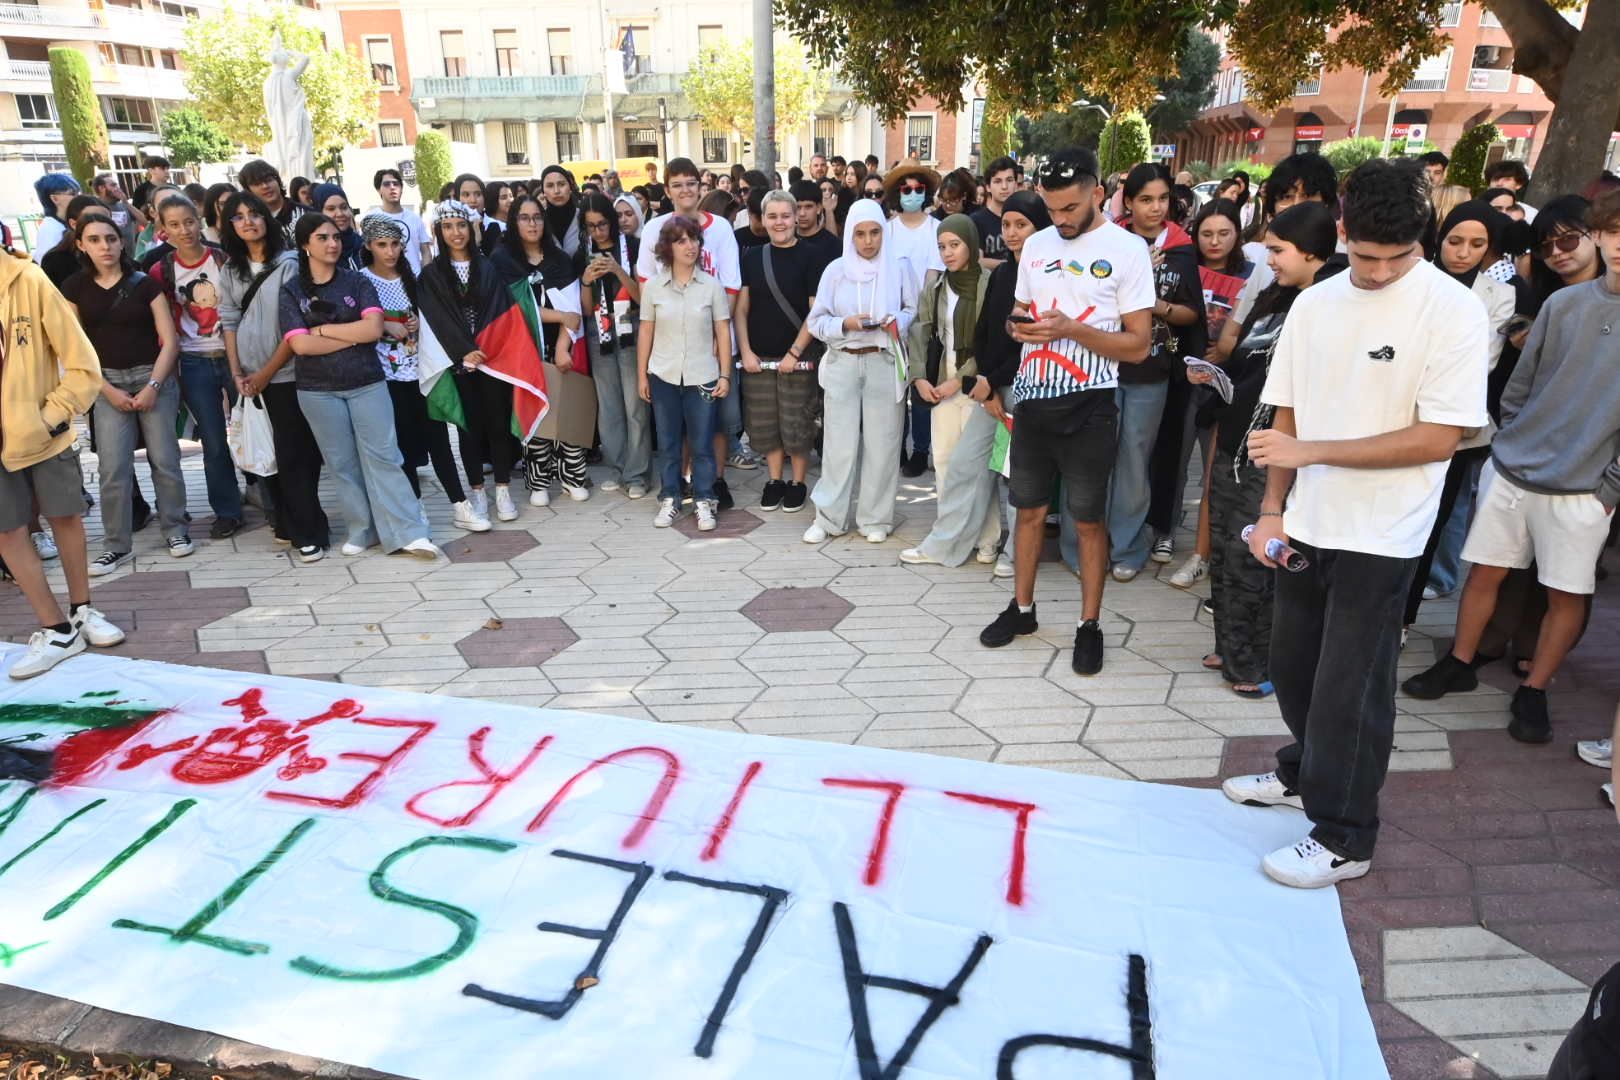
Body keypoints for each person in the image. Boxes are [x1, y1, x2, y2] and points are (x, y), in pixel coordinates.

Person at [1222, 159, 1488, 889]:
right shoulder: (1317, 302)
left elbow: (1439, 438)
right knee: (1299, 672)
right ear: (1342, 231)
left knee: (1353, 689)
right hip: (1307, 520)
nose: (1375, 271)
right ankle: (1306, 772)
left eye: (1394, 258)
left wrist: (1311, 453)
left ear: (1421, 240)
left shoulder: (1453, 310)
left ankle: (1345, 834)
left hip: (1387, 533)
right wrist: (1274, 506)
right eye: (1363, 255)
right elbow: (1288, 410)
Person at [1402, 190, 1620, 744]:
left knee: (1566, 591)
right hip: (1515, 467)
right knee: (1485, 571)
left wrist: (1609, 487)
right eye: (1612, 232)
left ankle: (1536, 689)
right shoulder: (1563, 304)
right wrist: (1510, 445)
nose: (1618, 245)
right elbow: (1519, 384)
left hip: (1584, 489)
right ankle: (1460, 660)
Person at [978, 148, 1153, 676]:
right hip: (1033, 400)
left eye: (1071, 208)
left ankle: (1089, 625)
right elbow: (1018, 315)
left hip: (1092, 405)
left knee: (1088, 522)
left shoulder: (1127, 250)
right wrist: (1020, 328)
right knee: (1026, 511)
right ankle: (1023, 610)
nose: (1061, 220)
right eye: (1053, 210)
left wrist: (1072, 330)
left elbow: (1140, 345)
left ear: (1098, 193)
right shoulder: (1034, 246)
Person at [1200, 203, 1340, 697]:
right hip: (1238, 439)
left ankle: (1257, 665)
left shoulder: (1332, 302)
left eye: (1278, 250)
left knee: (1257, 559)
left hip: (1278, 453)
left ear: (1313, 251)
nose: (1270, 259)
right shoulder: (1275, 296)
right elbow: (1247, 364)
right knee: (1225, 553)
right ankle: (1232, 647)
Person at [279, 213, 441, 560]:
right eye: (322, 238)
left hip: (366, 382)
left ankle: (410, 532)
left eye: (336, 237)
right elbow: (300, 346)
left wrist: (322, 331)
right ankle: (362, 529)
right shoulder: (292, 290)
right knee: (342, 462)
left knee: (385, 456)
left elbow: (371, 330)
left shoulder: (357, 282)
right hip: (317, 391)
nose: (332, 243)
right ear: (305, 245)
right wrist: (348, 335)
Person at [0, 240, 124, 678]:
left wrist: (48, 416)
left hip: (42, 432)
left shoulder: (28, 281)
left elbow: (82, 363)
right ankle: (55, 629)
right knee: (7, 530)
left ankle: (82, 610)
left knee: (65, 515)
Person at [1397, 202, 1517, 636]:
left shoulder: (1499, 294)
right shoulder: (1412, 277)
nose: (1464, 252)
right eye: (1455, 241)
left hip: (1458, 431)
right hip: (1394, 417)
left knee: (1433, 521)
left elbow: (1481, 360)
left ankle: (1405, 618)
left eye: (1477, 244)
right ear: (1439, 240)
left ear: (1488, 249)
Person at [62, 213, 192, 574]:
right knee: (112, 468)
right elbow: (74, 348)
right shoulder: (74, 288)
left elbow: (170, 341)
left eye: (111, 238)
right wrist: (106, 389)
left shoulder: (144, 284)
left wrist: (154, 385)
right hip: (105, 382)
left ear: (122, 242)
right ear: (82, 245)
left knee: (165, 460)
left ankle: (176, 530)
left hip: (153, 377)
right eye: (95, 239)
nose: (105, 246)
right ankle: (116, 544)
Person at [217, 190, 328, 562]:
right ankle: (284, 521)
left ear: (267, 218)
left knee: (296, 454)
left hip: (290, 373)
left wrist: (265, 372)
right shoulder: (230, 270)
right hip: (249, 378)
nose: (248, 221)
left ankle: (309, 530)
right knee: (267, 451)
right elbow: (229, 322)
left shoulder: (291, 263)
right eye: (238, 216)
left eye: (254, 213)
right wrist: (236, 372)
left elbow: (296, 328)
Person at [357, 214, 483, 533]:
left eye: (396, 244)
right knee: (405, 448)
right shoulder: (361, 281)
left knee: (439, 440)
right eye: (382, 245)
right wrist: (386, 325)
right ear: (369, 246)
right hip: (385, 379)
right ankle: (416, 510)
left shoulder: (413, 278)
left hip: (424, 374)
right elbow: (359, 325)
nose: (390, 252)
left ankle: (459, 504)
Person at [1110, 164, 1205, 580]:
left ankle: (1128, 547)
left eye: (1163, 199)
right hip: (1105, 366)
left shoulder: (1182, 248)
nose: (1155, 207)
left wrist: (1151, 301)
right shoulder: (1109, 241)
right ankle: (1091, 541)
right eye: (1145, 199)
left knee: (1135, 459)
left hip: (1154, 369)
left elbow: (1190, 313)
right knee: (1100, 458)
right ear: (1128, 202)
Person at [804, 197, 916, 542]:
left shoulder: (899, 266)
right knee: (839, 443)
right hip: (844, 361)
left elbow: (913, 308)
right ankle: (828, 518)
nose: (868, 241)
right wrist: (846, 324)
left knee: (883, 443)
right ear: (850, 236)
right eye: (860, 234)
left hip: (883, 360)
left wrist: (894, 320)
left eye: (875, 233)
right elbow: (816, 321)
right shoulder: (836, 271)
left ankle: (876, 519)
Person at [634, 158, 744, 508]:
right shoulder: (655, 229)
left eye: (691, 183)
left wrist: (717, 337)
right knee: (677, 422)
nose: (685, 190)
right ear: (666, 191)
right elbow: (647, 286)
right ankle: (682, 481)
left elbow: (731, 285)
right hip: (672, 347)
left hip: (714, 340)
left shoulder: (721, 229)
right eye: (677, 184)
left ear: (701, 186)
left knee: (720, 420)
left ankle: (715, 481)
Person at [899, 213, 1001, 567]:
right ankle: (950, 537)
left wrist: (960, 379)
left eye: (954, 245)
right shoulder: (937, 286)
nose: (947, 253)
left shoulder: (990, 284)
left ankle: (988, 538)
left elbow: (991, 340)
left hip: (976, 383)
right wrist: (919, 377)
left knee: (975, 466)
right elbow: (921, 332)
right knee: (943, 461)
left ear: (971, 244)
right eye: (942, 246)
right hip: (941, 379)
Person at [1167, 197, 1257, 591]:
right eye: (1206, 233)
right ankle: (1165, 532)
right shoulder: (1184, 269)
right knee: (1174, 460)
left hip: (1228, 386)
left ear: (1237, 234)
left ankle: (1205, 552)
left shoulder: (1253, 274)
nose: (1215, 241)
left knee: (1213, 472)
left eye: (1224, 233)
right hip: (1183, 381)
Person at [417, 200, 522, 523]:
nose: (455, 232)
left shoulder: (488, 266)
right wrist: (463, 349)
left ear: (471, 228)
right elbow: (436, 317)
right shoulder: (432, 275)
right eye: (447, 227)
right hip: (457, 361)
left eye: (461, 225)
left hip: (492, 359)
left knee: (498, 423)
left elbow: (500, 310)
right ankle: (477, 490)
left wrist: (484, 347)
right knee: (467, 427)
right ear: (439, 231)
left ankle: (502, 489)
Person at [147, 194, 244, 539]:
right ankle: (228, 510)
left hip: (234, 356)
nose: (184, 230)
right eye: (173, 224)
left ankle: (268, 497)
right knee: (214, 441)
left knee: (253, 429)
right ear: (163, 229)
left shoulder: (224, 260)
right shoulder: (162, 270)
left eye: (188, 221)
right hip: (193, 361)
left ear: (199, 221)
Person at [737, 190, 830, 514]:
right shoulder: (751, 257)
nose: (780, 222)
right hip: (758, 358)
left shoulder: (813, 255)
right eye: (772, 216)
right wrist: (745, 350)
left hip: (799, 358)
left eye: (785, 215)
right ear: (763, 220)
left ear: (797, 217)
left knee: (798, 423)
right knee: (765, 423)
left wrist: (794, 352)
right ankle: (775, 480)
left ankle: (798, 482)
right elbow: (742, 309)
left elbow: (814, 312)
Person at [637, 215, 731, 532]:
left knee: (703, 443)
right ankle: (671, 496)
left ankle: (704, 499)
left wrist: (725, 375)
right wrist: (641, 376)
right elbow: (645, 334)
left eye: (693, 239)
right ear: (667, 248)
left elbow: (723, 333)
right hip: (662, 375)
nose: (689, 246)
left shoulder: (712, 286)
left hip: (702, 375)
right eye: (681, 240)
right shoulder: (653, 288)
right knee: (667, 443)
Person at [493, 193, 587, 506]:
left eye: (537, 217)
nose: (532, 224)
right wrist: (560, 316)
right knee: (535, 410)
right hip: (524, 348)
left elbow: (572, 308)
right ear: (513, 220)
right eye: (524, 217)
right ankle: (538, 481)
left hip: (563, 344)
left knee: (568, 408)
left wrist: (563, 346)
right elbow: (516, 309)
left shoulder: (559, 259)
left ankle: (572, 476)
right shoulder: (503, 260)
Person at [977, 190, 1053, 579]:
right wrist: (986, 383)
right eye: (1006, 224)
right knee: (987, 468)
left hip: (1029, 386)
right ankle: (990, 541)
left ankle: (1016, 553)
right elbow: (987, 331)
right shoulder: (1003, 273)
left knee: (1017, 472)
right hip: (995, 388)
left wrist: (994, 380)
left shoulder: (1048, 276)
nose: (1011, 233)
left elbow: (1024, 341)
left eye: (1021, 224)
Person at [579, 191, 650, 498]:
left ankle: (637, 474)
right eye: (592, 226)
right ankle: (618, 468)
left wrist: (618, 271)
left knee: (635, 406)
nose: (599, 231)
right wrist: (585, 280)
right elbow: (582, 310)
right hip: (599, 333)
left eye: (603, 223)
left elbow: (644, 300)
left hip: (631, 330)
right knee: (608, 408)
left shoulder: (633, 248)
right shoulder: (581, 253)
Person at [883, 164, 946, 478]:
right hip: (891, 322)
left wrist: (921, 317)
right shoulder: (887, 230)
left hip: (927, 320)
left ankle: (921, 451)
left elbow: (934, 275)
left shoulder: (936, 229)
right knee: (896, 389)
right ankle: (898, 449)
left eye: (918, 189)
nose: (912, 195)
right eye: (906, 190)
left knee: (922, 388)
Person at [372, 168, 433, 272]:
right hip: (385, 283)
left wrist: (425, 277)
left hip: (416, 281)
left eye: (396, 184)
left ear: (401, 189)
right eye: (386, 184)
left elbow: (426, 251)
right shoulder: (372, 218)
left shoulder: (414, 218)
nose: (392, 187)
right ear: (379, 190)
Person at [40, 195, 105, 287]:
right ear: (73, 224)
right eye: (92, 219)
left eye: (107, 219)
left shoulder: (116, 251)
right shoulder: (54, 261)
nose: (102, 224)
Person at [238, 160, 305, 244]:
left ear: (278, 181)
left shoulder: (305, 213)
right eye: (257, 184)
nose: (265, 186)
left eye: (269, 180)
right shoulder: (248, 223)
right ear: (248, 190)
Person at [971, 156, 1020, 262]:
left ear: (1016, 184)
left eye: (1009, 180)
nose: (1004, 186)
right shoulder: (977, 221)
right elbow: (977, 261)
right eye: (998, 181)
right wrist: (1008, 266)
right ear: (988, 187)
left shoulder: (1026, 216)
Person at [311, 183, 364, 271]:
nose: (340, 214)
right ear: (319, 212)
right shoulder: (314, 254)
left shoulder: (364, 246)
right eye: (331, 209)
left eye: (344, 207)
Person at [31, 173, 80, 264]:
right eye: (73, 194)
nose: (79, 197)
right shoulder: (51, 230)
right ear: (55, 199)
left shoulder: (61, 224)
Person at [92, 172, 144, 252]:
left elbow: (144, 222)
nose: (117, 188)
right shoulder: (95, 208)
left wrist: (126, 203)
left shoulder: (124, 205)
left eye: (116, 185)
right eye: (113, 185)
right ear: (101, 188)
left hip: (131, 256)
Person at [540, 165, 582, 258]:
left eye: (561, 184)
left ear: (570, 188)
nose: (556, 191)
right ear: (543, 192)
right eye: (550, 186)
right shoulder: (538, 222)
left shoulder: (584, 217)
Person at [792, 180, 840, 262]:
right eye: (798, 207)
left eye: (808, 207)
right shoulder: (785, 239)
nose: (802, 213)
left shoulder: (833, 244)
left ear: (818, 208)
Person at [455, 174, 502, 255]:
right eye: (466, 195)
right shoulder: (448, 229)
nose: (473, 200)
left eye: (478, 194)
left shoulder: (499, 227)